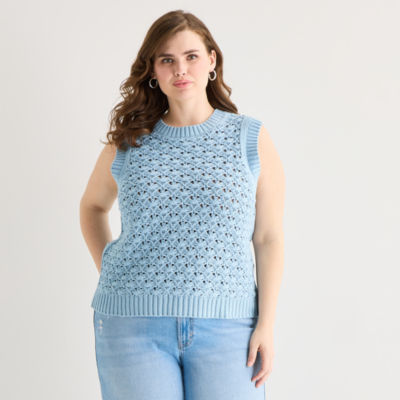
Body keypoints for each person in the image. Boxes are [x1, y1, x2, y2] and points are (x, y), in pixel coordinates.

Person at [79, 9, 285, 400]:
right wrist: (112, 270)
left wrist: (267, 323)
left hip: (229, 326)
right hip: (131, 326)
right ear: (153, 71)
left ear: (211, 60)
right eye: (167, 59)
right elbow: (92, 207)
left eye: (191, 56)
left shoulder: (249, 138)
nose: (180, 69)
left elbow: (268, 237)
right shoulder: (128, 141)